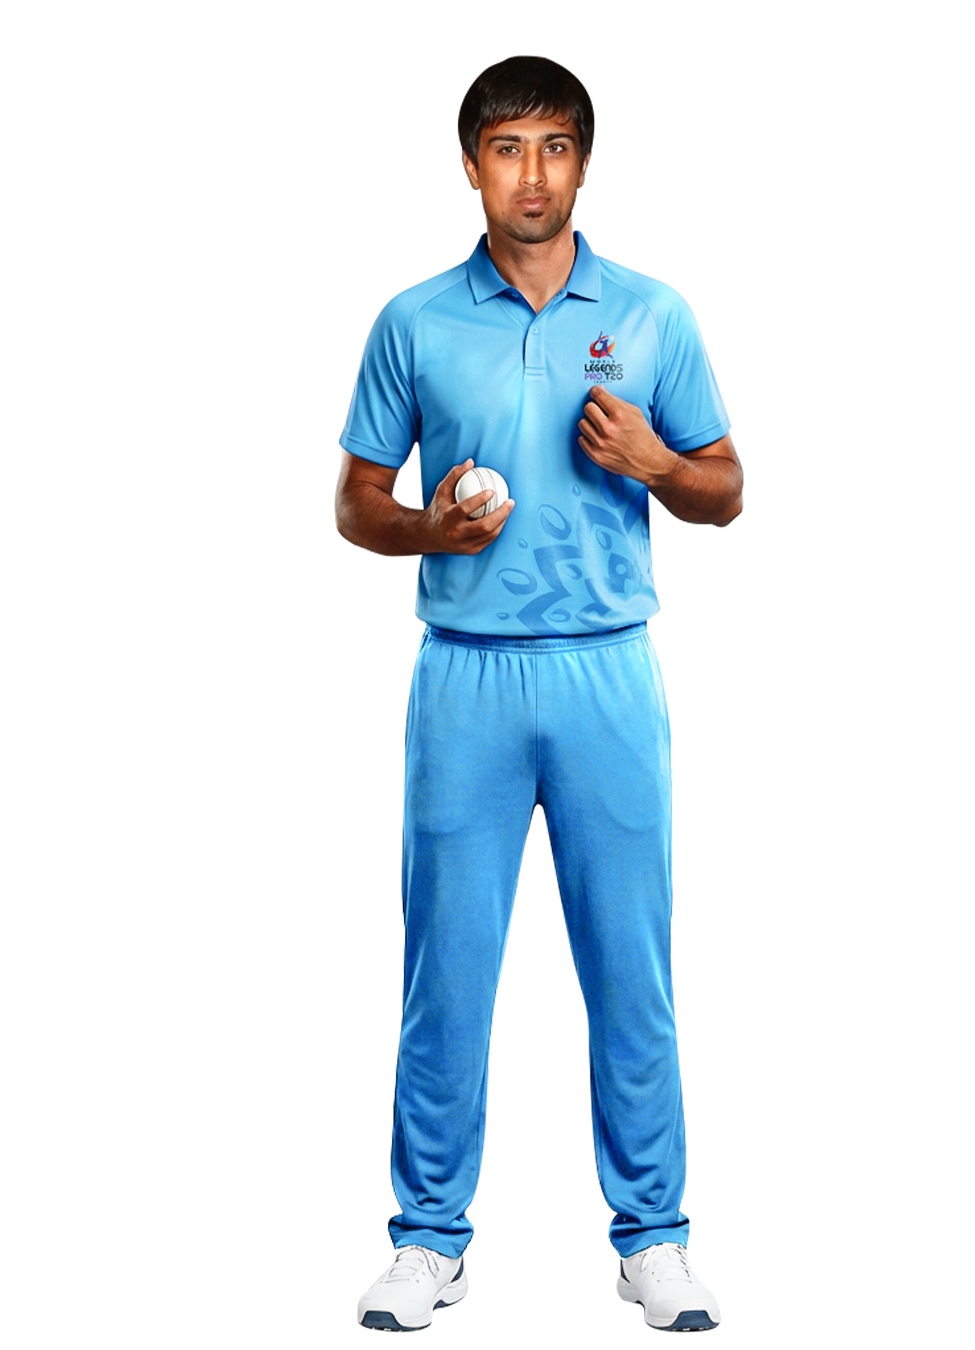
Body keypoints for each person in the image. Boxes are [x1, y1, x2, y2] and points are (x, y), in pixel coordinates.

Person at [336, 56, 742, 1334]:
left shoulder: (653, 315)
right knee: (446, 968)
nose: (533, 172)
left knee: (633, 964)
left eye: (555, 147)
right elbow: (357, 502)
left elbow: (726, 485)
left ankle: (655, 1241)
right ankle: (428, 1245)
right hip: (465, 669)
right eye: (508, 147)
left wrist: (658, 460)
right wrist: (426, 530)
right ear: (473, 169)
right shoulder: (415, 325)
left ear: (582, 166)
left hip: (609, 664)